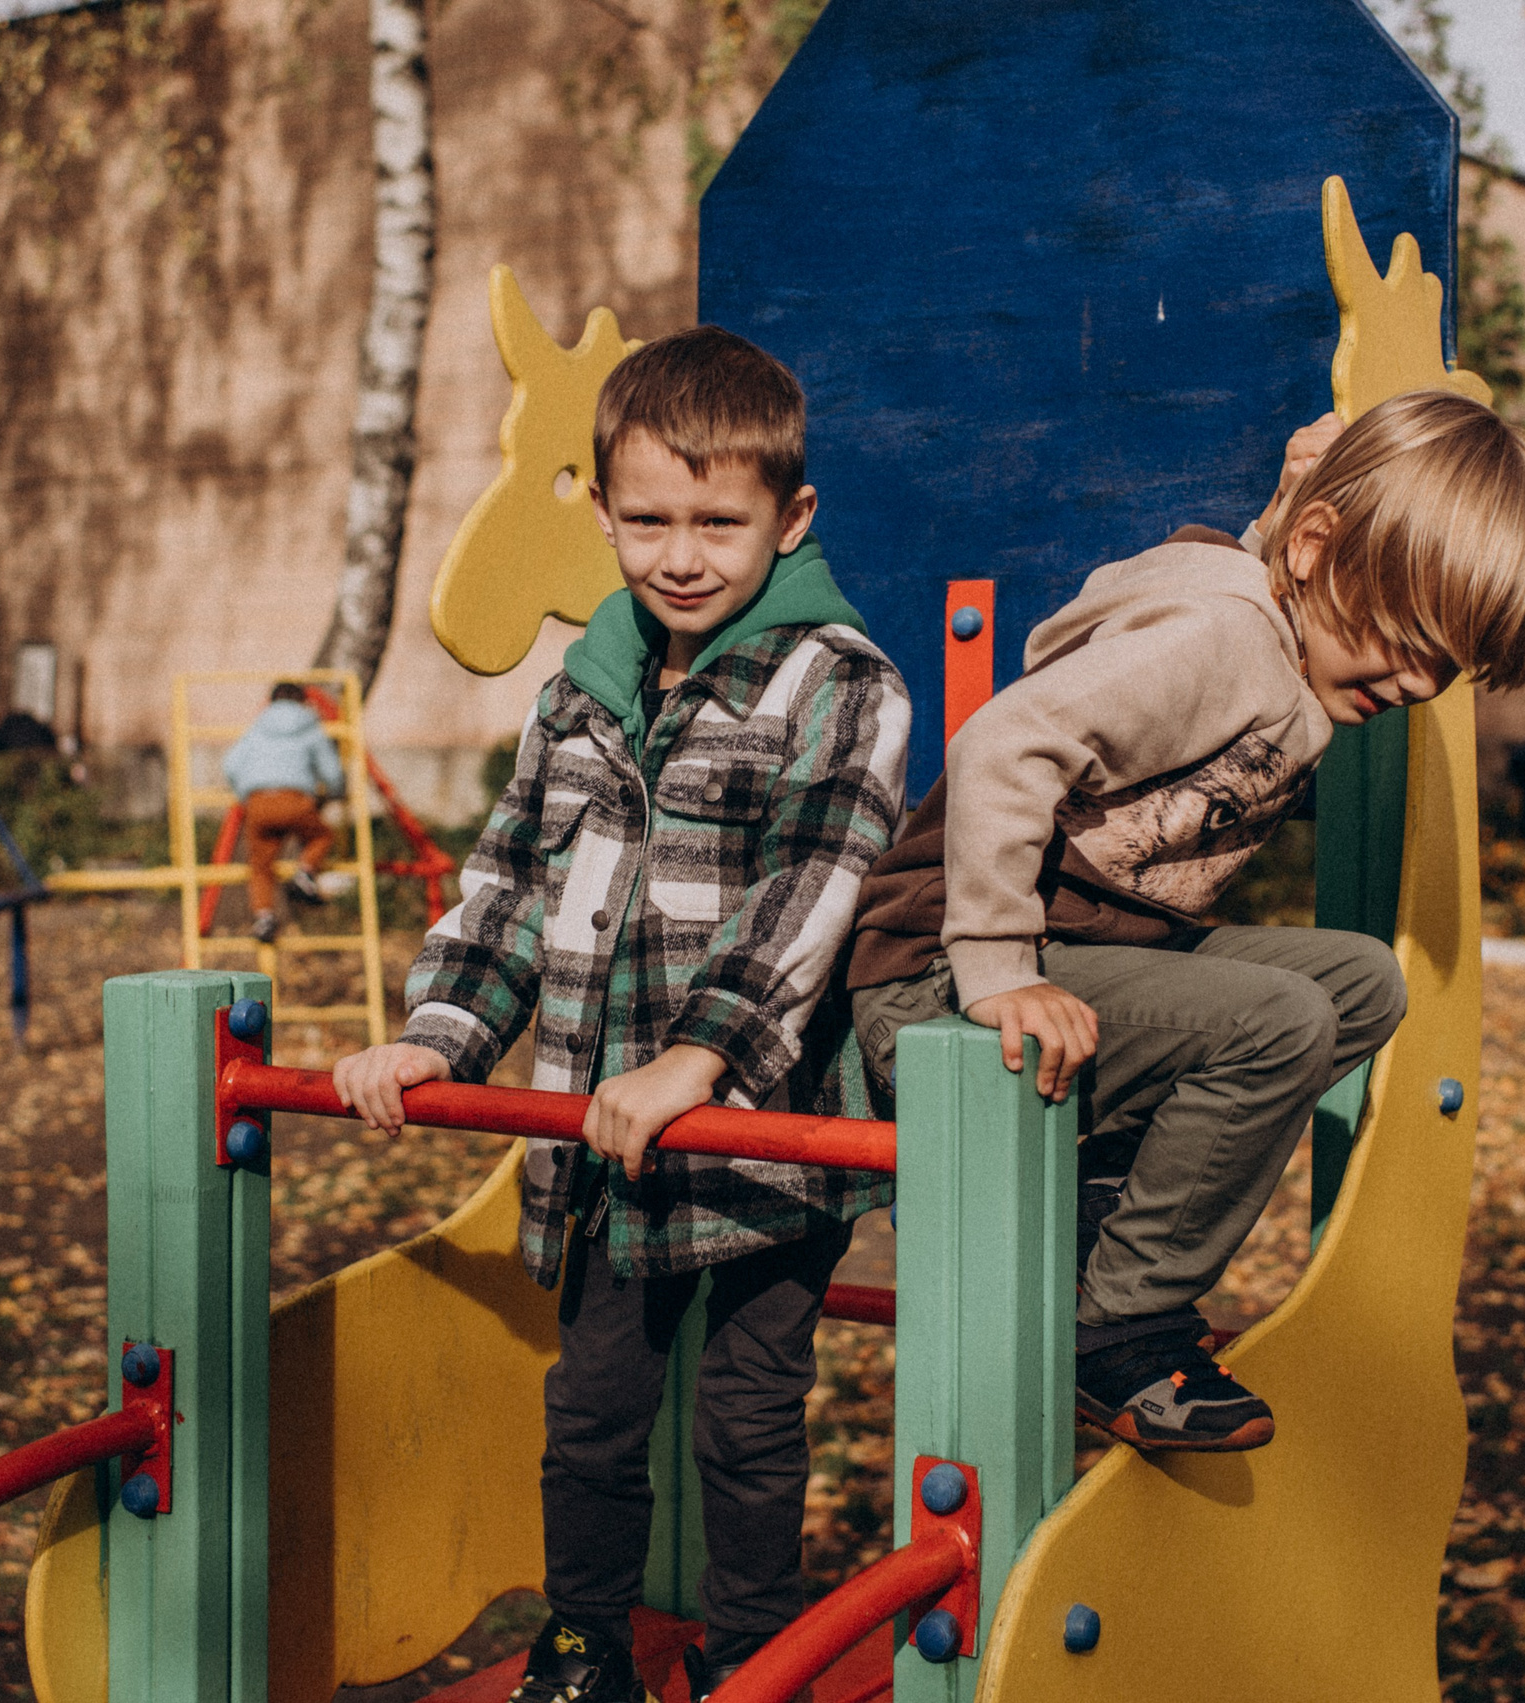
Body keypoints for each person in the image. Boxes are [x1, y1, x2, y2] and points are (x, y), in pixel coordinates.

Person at [330, 327, 909, 1703]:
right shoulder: (579, 694)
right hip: (607, 1134)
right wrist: (438, 1032)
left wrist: (700, 1057)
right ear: (600, 510)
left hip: (767, 1136)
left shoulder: (838, 684)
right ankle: (586, 1640)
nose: (681, 555)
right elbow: (510, 887)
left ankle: (750, 1653)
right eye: (648, 520)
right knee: (591, 1412)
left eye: (719, 522)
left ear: (791, 517)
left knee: (747, 1417)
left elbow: (810, 885)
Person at [848, 388, 1525, 1455]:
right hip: (937, 974)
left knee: (1360, 983)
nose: (1417, 680)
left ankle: (1103, 1204)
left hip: (1088, 952)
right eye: (1408, 639)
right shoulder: (1219, 638)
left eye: (1445, 666)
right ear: (1316, 550)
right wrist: (997, 967)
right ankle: (1117, 1324)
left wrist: (1280, 517)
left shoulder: (1276, 623)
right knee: (1279, 1021)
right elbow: (1004, 743)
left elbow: (1255, 581)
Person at [220, 682, 348, 942]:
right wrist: (336, 791)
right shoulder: (310, 727)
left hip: (258, 801)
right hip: (295, 799)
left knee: (260, 864)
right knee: (321, 836)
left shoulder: (257, 727)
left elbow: (231, 764)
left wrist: (245, 793)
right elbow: (331, 771)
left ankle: (264, 918)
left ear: (271, 701)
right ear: (303, 702)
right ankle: (305, 874)